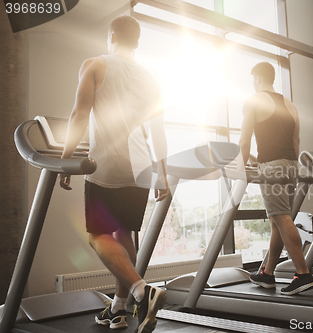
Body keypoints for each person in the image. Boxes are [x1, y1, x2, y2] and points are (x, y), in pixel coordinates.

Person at [59, 16, 168, 333]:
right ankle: (119, 310)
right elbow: (158, 132)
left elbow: (79, 114)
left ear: (111, 35)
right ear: (136, 41)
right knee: (123, 235)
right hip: (141, 168)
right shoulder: (150, 78)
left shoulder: (95, 64)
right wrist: (162, 174)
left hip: (107, 163)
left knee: (98, 237)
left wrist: (66, 160)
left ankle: (140, 290)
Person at [239, 62, 313, 295]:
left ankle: (303, 273)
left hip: (271, 166)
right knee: (277, 222)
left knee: (281, 218)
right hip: (291, 165)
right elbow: (295, 142)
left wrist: (240, 170)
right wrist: (292, 170)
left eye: (253, 79)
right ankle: (267, 273)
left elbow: (244, 141)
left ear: (257, 77)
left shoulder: (254, 100)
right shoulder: (290, 104)